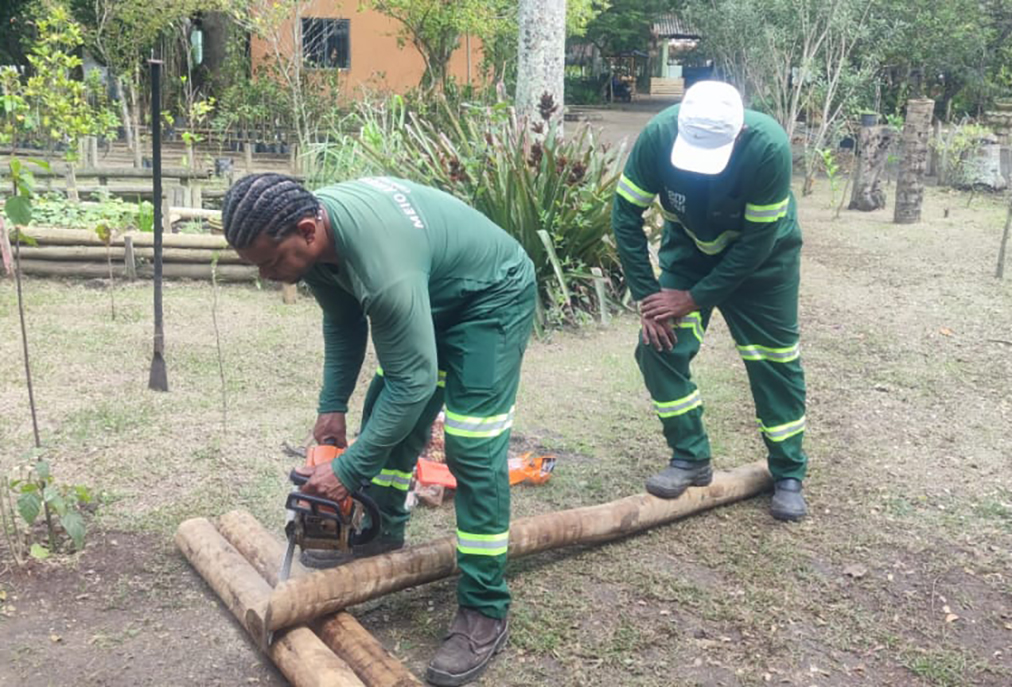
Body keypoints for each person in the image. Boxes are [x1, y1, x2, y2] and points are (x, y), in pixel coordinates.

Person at [221, 174, 536, 686]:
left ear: (306, 230)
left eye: (272, 261)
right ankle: (383, 529)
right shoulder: (318, 243)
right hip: (429, 293)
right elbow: (344, 322)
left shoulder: (381, 266)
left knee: (473, 448)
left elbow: (413, 386)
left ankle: (485, 608)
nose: (268, 275)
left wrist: (349, 469)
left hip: (490, 297)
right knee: (381, 409)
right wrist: (331, 407)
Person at [610, 80, 808, 521]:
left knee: (773, 360)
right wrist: (650, 296)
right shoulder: (659, 136)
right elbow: (624, 215)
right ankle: (690, 456)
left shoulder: (768, 148)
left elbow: (757, 243)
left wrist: (695, 299)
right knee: (658, 346)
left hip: (764, 264)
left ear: (737, 133)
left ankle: (789, 471)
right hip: (691, 249)